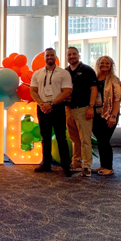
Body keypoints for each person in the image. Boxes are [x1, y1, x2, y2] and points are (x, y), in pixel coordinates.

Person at [30, 48, 73, 177]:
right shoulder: (37, 74)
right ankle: (46, 164)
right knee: (45, 137)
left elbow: (67, 91)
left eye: (52, 55)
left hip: (58, 107)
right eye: (47, 55)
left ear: (56, 57)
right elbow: (33, 91)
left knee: (61, 137)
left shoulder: (63, 73)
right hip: (42, 108)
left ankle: (66, 166)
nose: (49, 57)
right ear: (44, 57)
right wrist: (42, 104)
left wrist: (52, 103)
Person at [64, 47, 97, 177]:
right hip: (68, 109)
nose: (72, 56)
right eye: (69, 54)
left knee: (85, 139)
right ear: (66, 57)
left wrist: (91, 106)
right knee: (74, 138)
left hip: (83, 108)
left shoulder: (87, 70)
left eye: (74, 54)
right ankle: (76, 162)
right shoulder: (65, 72)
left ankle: (87, 165)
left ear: (78, 55)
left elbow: (93, 90)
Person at [91, 56, 121, 176]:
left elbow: (117, 99)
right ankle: (103, 165)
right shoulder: (94, 78)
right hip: (95, 114)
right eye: (102, 63)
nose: (104, 65)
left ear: (111, 65)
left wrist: (113, 116)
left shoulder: (114, 79)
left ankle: (109, 167)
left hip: (109, 114)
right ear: (98, 64)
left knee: (105, 140)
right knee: (100, 140)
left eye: (107, 63)